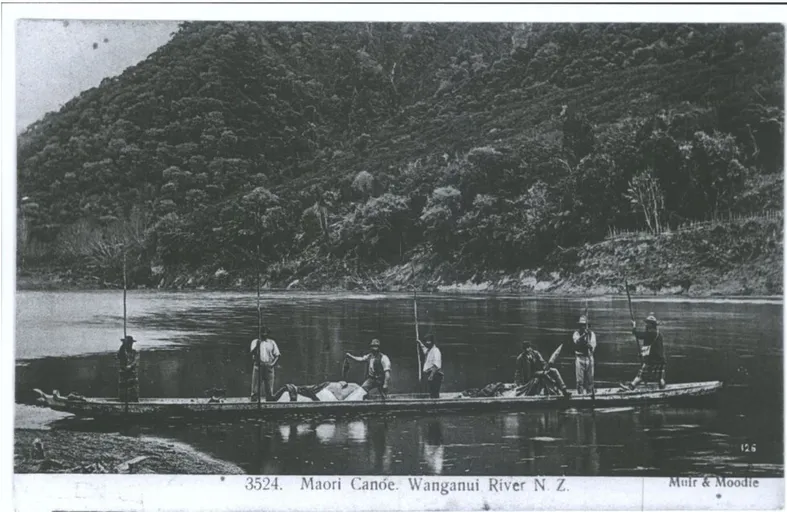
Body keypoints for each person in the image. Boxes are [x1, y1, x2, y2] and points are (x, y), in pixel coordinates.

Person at [622, 313, 666, 390]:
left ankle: (631, 387)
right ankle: (663, 389)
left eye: (647, 323)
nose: (646, 325)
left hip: (652, 360)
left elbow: (638, 335)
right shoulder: (659, 334)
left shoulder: (650, 333)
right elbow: (652, 347)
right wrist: (642, 354)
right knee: (660, 377)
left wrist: (634, 326)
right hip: (661, 359)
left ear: (651, 325)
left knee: (641, 375)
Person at [250, 327, 281, 402]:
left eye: (265, 333)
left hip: (268, 366)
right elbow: (252, 353)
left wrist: (272, 364)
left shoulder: (272, 342)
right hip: (258, 366)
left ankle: (269, 402)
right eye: (262, 333)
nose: (263, 335)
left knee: (269, 389)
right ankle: (254, 403)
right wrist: (258, 344)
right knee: (255, 389)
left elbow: (278, 355)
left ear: (267, 334)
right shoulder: (255, 341)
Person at [572, 315, 597, 395]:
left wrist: (589, 345)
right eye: (581, 325)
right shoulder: (576, 334)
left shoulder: (592, 334)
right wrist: (583, 336)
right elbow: (577, 342)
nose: (582, 327)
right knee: (579, 381)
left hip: (589, 358)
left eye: (584, 325)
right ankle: (580, 396)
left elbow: (593, 347)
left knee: (590, 380)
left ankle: (590, 394)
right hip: (580, 358)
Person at [417, 334, 443, 398]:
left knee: (434, 393)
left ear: (432, 341)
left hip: (435, 374)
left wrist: (431, 375)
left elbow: (436, 365)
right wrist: (420, 343)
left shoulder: (436, 351)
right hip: (431, 374)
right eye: (426, 341)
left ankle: (436, 405)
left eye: (429, 341)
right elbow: (424, 350)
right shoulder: (429, 350)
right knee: (431, 393)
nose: (427, 343)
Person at [117, 335, 139, 402]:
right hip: (123, 374)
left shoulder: (135, 352)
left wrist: (130, 366)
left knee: (133, 390)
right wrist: (123, 345)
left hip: (132, 374)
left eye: (130, 343)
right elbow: (119, 356)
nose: (130, 345)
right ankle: (122, 403)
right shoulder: (122, 351)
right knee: (123, 390)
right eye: (128, 343)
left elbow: (135, 361)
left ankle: (134, 402)